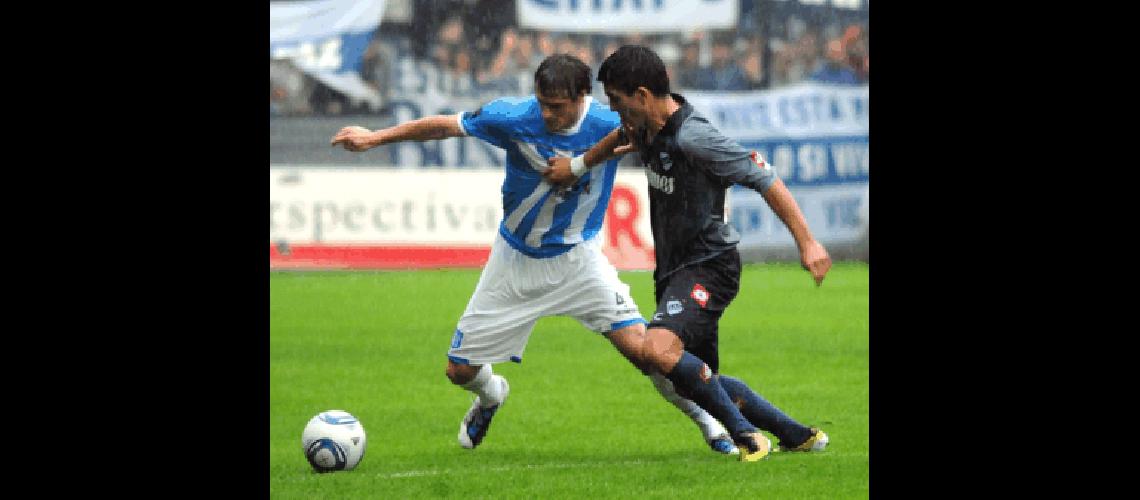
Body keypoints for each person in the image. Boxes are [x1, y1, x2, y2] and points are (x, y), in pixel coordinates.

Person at [330, 53, 740, 456]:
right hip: (514, 260)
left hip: (579, 261)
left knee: (647, 353)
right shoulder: (510, 117)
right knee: (459, 371)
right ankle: (492, 396)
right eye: (543, 104)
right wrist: (376, 137)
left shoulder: (610, 122)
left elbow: (668, 135)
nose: (547, 115)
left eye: (557, 107)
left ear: (583, 96)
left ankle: (710, 424)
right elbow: (443, 127)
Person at [544, 45, 832, 462]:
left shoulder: (694, 137)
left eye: (617, 101)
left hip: (710, 266)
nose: (615, 110)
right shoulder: (644, 126)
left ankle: (748, 437)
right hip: (675, 269)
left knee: (656, 350)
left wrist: (807, 242)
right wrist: (576, 168)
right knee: (693, 378)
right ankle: (796, 434)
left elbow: (764, 177)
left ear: (642, 95)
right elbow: (619, 138)